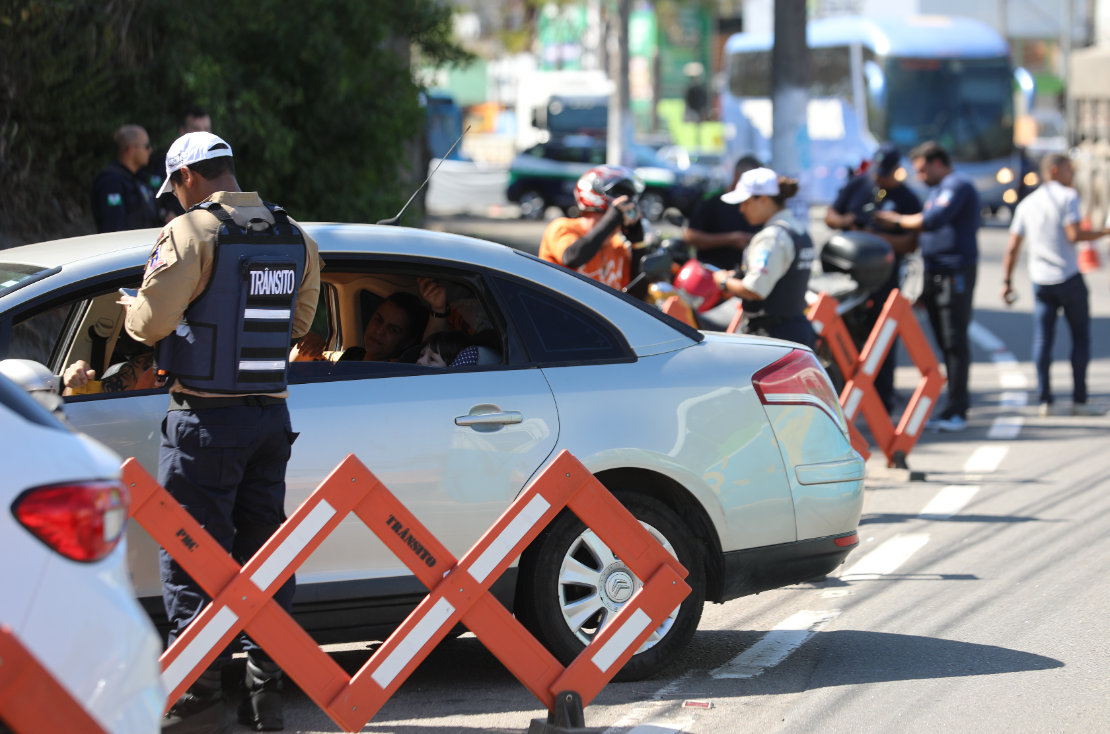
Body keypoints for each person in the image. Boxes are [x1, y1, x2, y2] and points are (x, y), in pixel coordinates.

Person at [121, 131, 323, 733]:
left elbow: (151, 322)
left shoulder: (190, 233)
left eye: (174, 189)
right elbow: (298, 325)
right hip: (269, 420)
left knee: (191, 561)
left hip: (205, 424)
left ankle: (198, 701)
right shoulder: (296, 237)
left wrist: (132, 309)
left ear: (186, 178)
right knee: (265, 559)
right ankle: (268, 700)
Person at [874, 141, 980, 432]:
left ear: (937, 163)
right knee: (944, 343)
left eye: (922, 170)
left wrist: (896, 220)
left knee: (954, 341)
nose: (920, 177)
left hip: (954, 272)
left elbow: (933, 220)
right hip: (936, 273)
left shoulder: (957, 185)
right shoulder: (937, 189)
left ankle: (958, 408)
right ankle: (951, 407)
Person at [1002, 153, 1108, 416]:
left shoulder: (1027, 203)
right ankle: (1079, 400)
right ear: (1054, 170)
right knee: (1080, 339)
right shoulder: (1067, 196)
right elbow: (1074, 234)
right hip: (1069, 277)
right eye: (1069, 169)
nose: (1072, 175)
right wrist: (1105, 231)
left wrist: (1007, 281)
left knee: (1043, 340)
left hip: (1040, 281)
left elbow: (1013, 247)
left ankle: (1045, 399)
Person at [827, 144, 923, 413]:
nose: (878, 178)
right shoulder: (859, 184)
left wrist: (878, 237)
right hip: (845, 280)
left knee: (881, 339)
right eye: (876, 171)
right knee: (841, 337)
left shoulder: (906, 199)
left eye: (885, 173)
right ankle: (844, 397)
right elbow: (830, 216)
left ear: (897, 171)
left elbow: (911, 243)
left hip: (884, 281)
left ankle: (882, 400)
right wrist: (848, 222)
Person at [714, 168, 816, 348]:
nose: (741, 209)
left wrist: (724, 281)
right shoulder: (797, 230)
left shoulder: (772, 237)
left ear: (763, 199)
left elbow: (755, 289)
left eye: (745, 202)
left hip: (774, 338)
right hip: (795, 331)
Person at [539, 166, 645, 292]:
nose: (619, 225)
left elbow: (635, 296)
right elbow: (572, 258)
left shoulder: (617, 246)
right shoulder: (561, 227)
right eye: (616, 216)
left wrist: (638, 245)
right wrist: (611, 220)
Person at [291, 291, 429, 363]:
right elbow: (293, 373)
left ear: (409, 341)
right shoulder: (352, 355)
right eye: (378, 320)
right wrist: (308, 346)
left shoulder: (396, 375)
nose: (379, 331)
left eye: (392, 330)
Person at [683, 155, 763, 270]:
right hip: (711, 275)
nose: (742, 209)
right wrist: (729, 239)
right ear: (736, 174)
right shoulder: (713, 200)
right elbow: (690, 236)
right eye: (750, 179)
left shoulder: (760, 204)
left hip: (743, 278)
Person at [91, 125, 161, 233]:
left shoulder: (137, 179)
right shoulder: (112, 182)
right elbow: (113, 228)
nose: (150, 150)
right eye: (146, 146)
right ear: (131, 150)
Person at [150, 106, 214, 222]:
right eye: (196, 129)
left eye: (206, 129)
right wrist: (165, 216)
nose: (203, 134)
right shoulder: (169, 163)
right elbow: (153, 200)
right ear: (182, 131)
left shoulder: (218, 162)